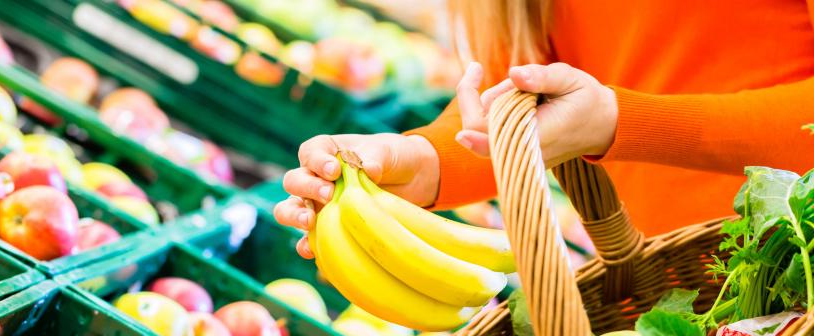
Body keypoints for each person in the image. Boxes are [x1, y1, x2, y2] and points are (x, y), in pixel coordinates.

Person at [275, 0, 814, 258]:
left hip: (797, 266)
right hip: (688, 300)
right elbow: (506, 108)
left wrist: (620, 122)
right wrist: (420, 161)